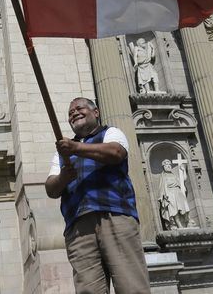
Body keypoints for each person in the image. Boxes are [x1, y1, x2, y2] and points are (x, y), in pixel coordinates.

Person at [46, 98, 151, 294]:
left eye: (79, 108)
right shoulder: (61, 154)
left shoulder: (110, 133)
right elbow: (51, 189)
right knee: (88, 290)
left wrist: (76, 148)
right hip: (78, 226)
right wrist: (62, 177)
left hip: (114, 216)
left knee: (131, 286)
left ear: (96, 112)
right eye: (70, 113)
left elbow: (116, 152)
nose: (74, 113)